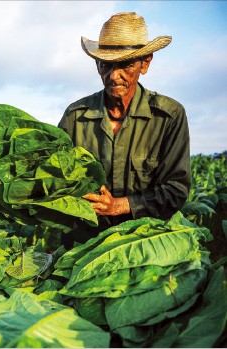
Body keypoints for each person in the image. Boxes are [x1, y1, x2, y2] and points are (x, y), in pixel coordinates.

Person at [58, 12, 191, 244]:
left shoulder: (169, 116)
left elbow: (176, 190)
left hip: (143, 241)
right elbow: (56, 180)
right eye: (105, 65)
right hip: (83, 244)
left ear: (145, 63)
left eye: (125, 65)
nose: (114, 75)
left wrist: (120, 206)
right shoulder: (75, 116)